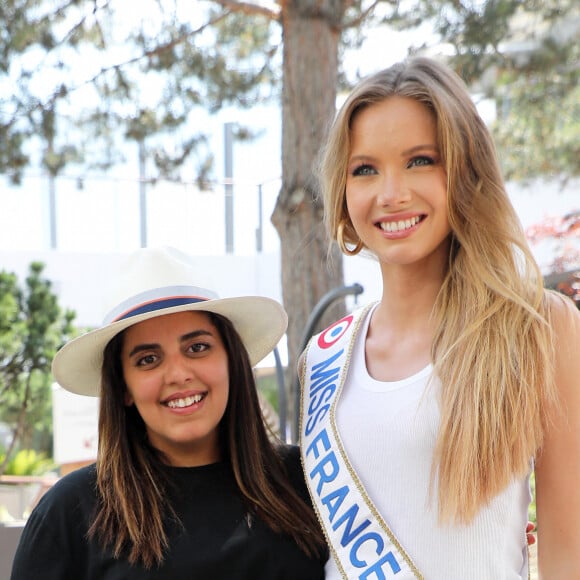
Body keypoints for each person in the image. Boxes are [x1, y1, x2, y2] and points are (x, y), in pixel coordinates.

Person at [299, 56, 580, 579]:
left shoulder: (538, 328)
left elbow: (570, 557)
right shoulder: (324, 357)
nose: (391, 193)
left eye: (420, 160)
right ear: (343, 194)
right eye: (365, 169)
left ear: (465, 172)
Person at [11, 246, 327, 579]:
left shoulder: (309, 481)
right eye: (148, 359)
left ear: (231, 360)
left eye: (197, 347)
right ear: (123, 388)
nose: (178, 374)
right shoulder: (70, 511)